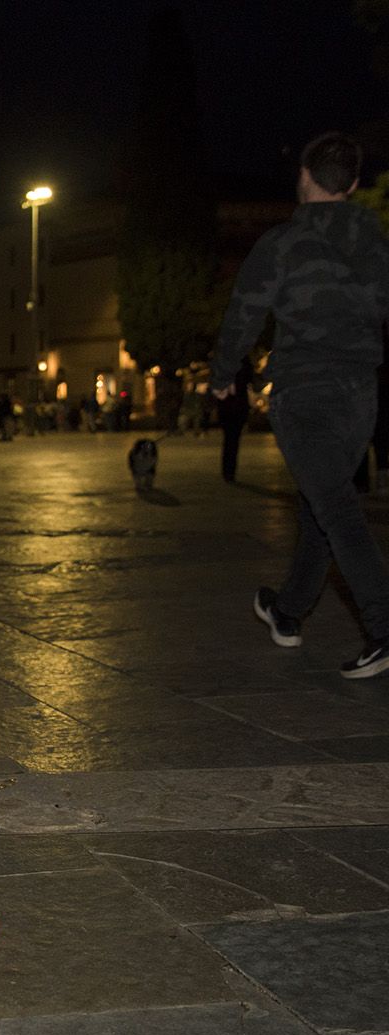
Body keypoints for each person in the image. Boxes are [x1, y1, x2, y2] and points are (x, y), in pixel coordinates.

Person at [211, 131, 389, 679]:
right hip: (360, 394)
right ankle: (287, 610)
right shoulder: (376, 240)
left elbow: (245, 313)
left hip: (304, 392)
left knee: (334, 506)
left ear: (304, 178)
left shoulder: (282, 243)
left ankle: (384, 628)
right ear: (355, 185)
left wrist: (223, 376)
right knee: (321, 503)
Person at [217, 357, 254, 482]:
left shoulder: (227, 364)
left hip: (232, 408)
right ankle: (229, 471)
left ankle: (228, 471)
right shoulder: (241, 365)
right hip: (232, 408)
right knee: (231, 440)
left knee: (230, 440)